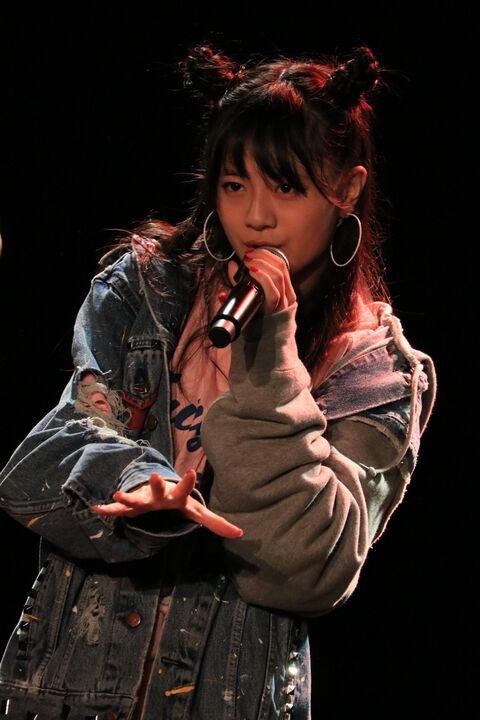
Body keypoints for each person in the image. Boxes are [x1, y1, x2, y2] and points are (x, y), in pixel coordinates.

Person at [0, 45, 436, 720]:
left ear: (347, 189)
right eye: (234, 186)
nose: (255, 217)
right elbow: (36, 466)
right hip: (69, 695)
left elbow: (312, 569)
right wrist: (136, 483)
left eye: (286, 188)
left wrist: (272, 356)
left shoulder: (376, 371)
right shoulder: (147, 290)